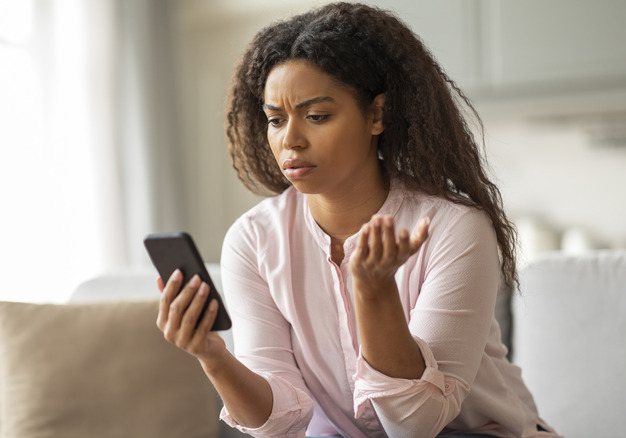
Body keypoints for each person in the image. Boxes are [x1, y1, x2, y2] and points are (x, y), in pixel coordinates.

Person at [156, 3, 559, 437]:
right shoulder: (253, 241)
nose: (290, 139)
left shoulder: (454, 226)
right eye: (275, 120)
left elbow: (417, 423)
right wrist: (213, 356)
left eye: (317, 116)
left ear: (376, 115)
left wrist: (373, 292)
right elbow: (280, 425)